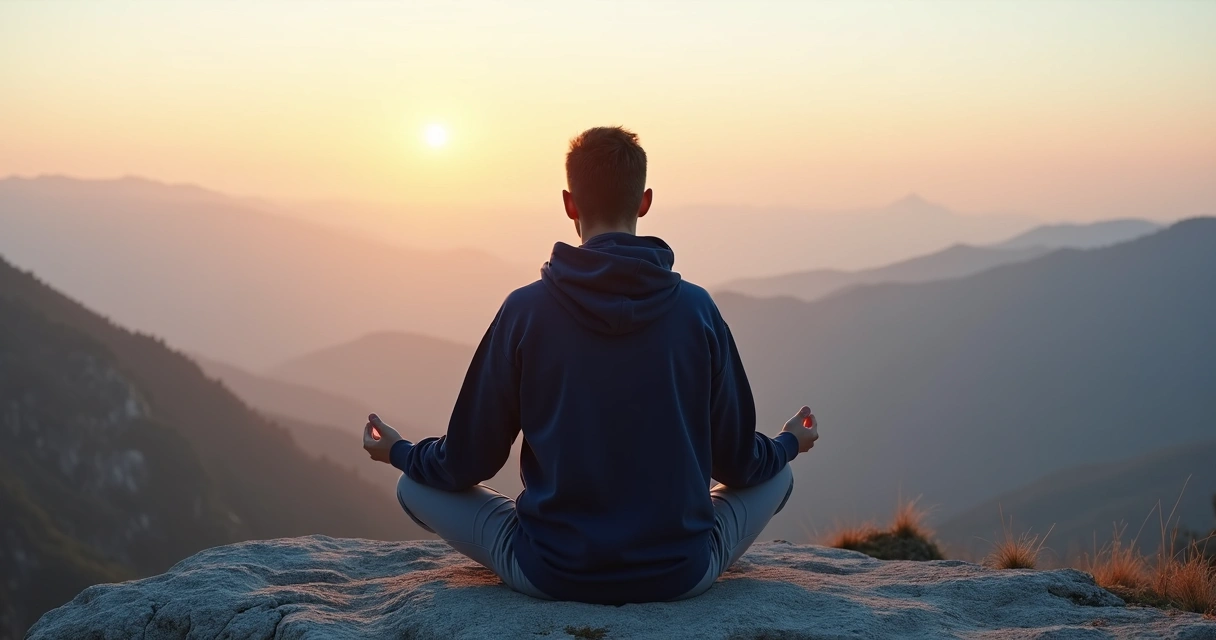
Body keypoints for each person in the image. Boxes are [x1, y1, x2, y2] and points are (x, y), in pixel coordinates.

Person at [363, 126, 819, 604]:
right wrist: (790, 441)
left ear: (569, 204)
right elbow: (741, 465)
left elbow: (466, 463)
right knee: (780, 474)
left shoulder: (526, 311)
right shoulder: (697, 311)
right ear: (644, 202)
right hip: (680, 574)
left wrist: (400, 452)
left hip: (551, 572)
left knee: (411, 487)